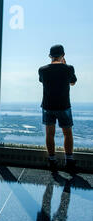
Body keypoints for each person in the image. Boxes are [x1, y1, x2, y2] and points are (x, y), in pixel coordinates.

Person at [39, 45, 77, 173]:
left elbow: (42, 81)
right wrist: (65, 65)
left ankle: (52, 161)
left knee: (50, 134)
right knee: (67, 133)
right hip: (64, 105)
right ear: (63, 55)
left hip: (48, 105)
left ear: (50, 56)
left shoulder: (42, 70)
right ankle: (69, 161)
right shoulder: (69, 69)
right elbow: (72, 82)